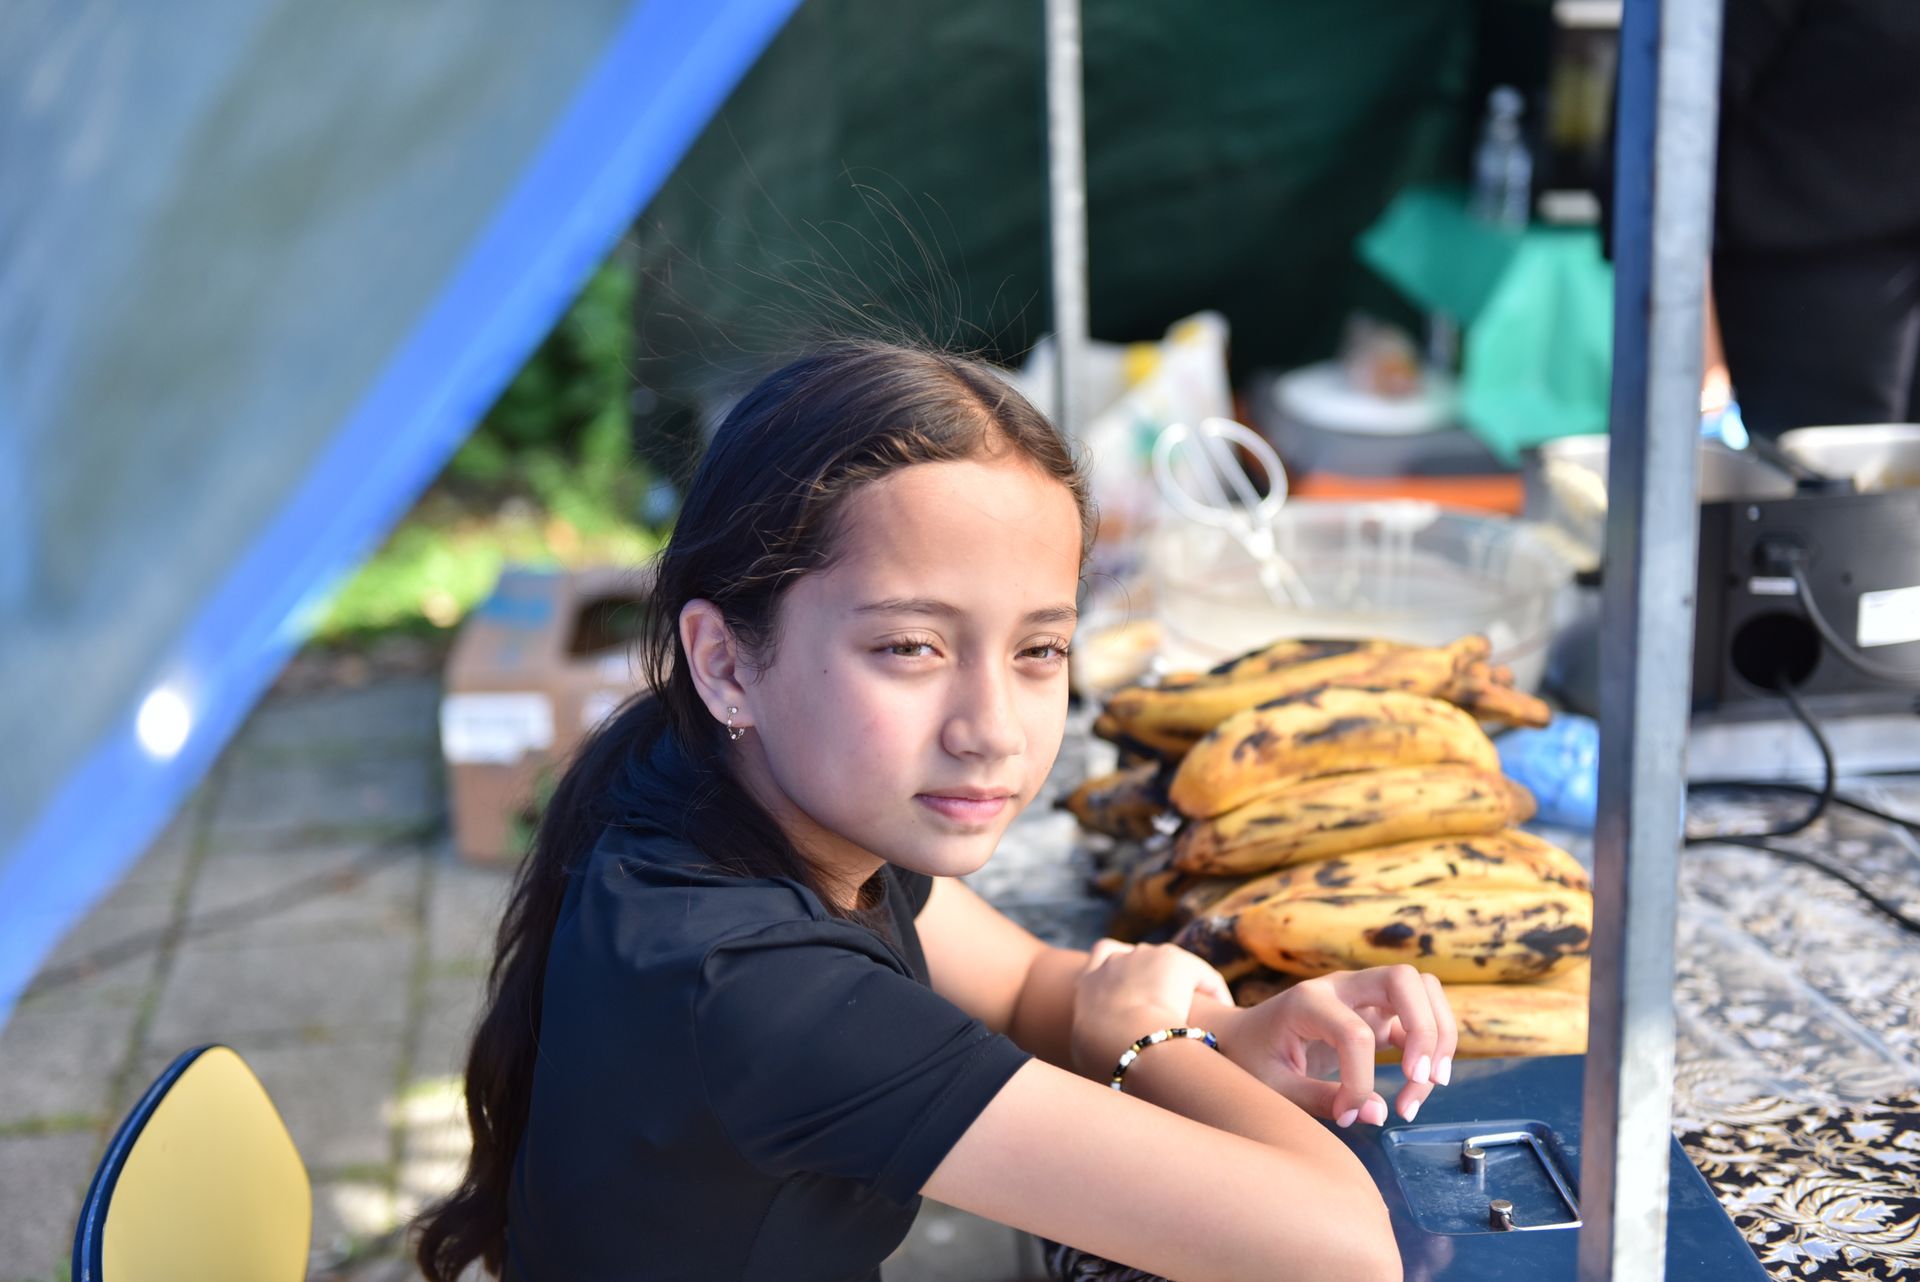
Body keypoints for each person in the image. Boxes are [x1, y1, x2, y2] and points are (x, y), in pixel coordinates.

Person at [412, 341, 1448, 1282]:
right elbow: (1341, 1252)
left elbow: (1028, 985)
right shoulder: (759, 989)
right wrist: (1152, 1045)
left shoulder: (751, 788)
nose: (991, 728)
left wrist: (1221, 1032)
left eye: (1038, 649)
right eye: (912, 647)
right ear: (727, 660)